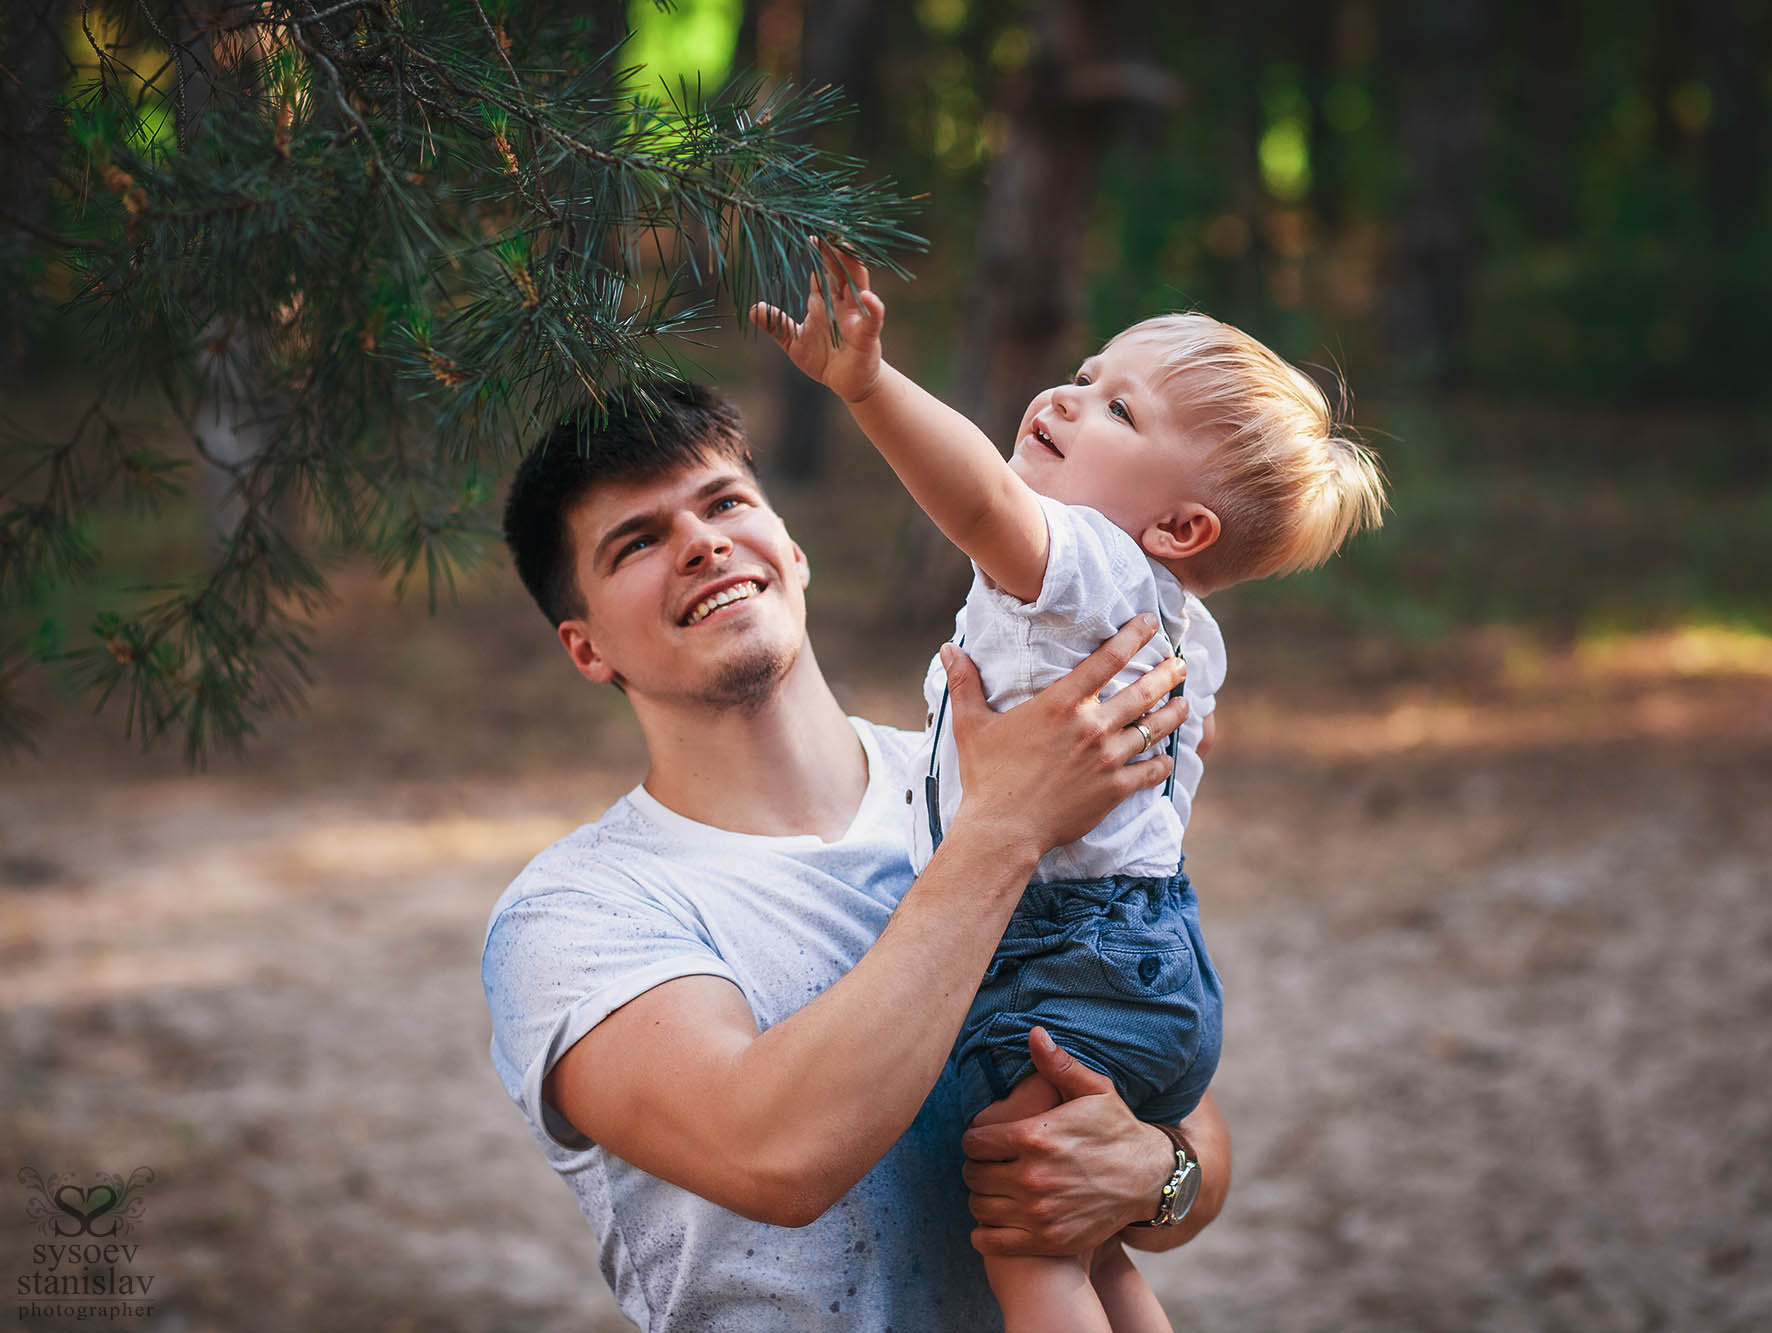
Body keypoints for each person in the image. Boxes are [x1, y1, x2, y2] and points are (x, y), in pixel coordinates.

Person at [481, 379, 1233, 1332]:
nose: (702, 543)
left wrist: (1149, 1173)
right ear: (586, 648)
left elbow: (1192, 1115)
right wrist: (1007, 825)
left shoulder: (995, 768)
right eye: (637, 541)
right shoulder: (575, 915)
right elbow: (776, 1153)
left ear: (791, 551)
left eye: (724, 504)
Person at [755, 242, 1385, 1330]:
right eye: (1087, 373)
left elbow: (981, 500)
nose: (1065, 395)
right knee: (1086, 1249)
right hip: (1147, 958)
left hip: (1059, 959)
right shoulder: (1189, 629)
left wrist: (867, 385)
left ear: (1179, 528)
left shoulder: (1087, 562)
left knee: (1028, 1247)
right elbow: (1173, 782)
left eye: (1118, 411)